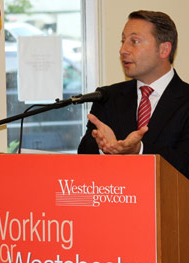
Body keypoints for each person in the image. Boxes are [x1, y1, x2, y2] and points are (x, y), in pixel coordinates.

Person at [78, 10, 189, 179]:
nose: (123, 50)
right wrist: (102, 147)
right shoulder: (107, 96)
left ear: (164, 49)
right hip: (117, 201)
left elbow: (185, 162)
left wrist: (139, 150)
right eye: (123, 41)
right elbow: (83, 157)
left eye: (134, 41)